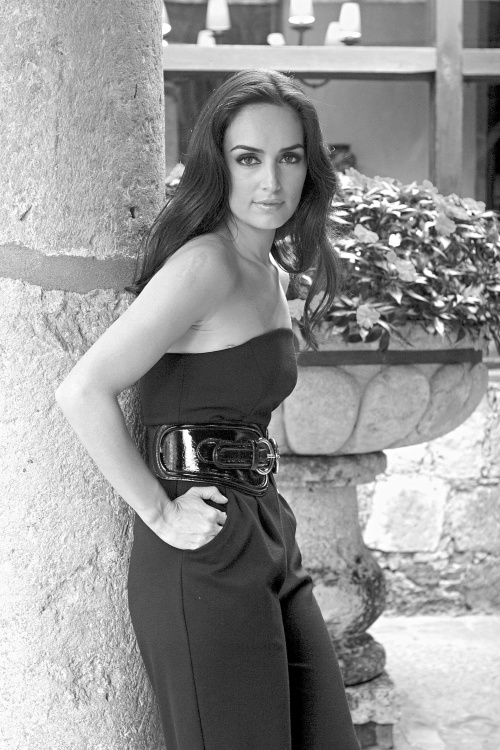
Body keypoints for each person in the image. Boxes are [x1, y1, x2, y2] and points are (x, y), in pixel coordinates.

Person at [56, 68, 361, 750]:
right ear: (217, 165)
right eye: (248, 159)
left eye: (288, 158)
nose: (271, 182)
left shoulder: (271, 272)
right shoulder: (206, 266)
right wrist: (161, 513)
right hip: (203, 552)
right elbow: (82, 390)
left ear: (309, 167)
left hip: (267, 530)